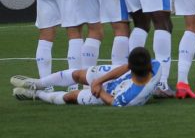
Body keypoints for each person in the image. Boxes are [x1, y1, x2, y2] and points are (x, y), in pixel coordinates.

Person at [11, 47, 161, 107]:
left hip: (109, 94)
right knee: (78, 74)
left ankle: (37, 94)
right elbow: (124, 68)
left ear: (132, 69)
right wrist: (99, 80)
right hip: (118, 79)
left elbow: (114, 102)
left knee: (71, 97)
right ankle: (37, 83)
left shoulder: (132, 98)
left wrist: (100, 90)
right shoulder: (156, 66)